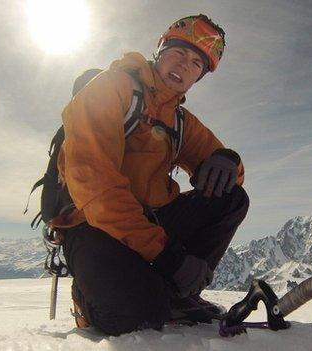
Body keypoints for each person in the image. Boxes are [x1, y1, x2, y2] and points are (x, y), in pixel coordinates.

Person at [52, 14, 248, 336]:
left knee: (231, 197)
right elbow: (96, 188)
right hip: (92, 225)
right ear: (160, 50)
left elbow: (230, 176)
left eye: (197, 64)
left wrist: (228, 160)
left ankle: (179, 296)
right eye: (179, 53)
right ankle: (88, 304)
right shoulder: (111, 89)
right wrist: (168, 256)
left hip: (149, 222)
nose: (185, 66)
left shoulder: (180, 121)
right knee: (135, 319)